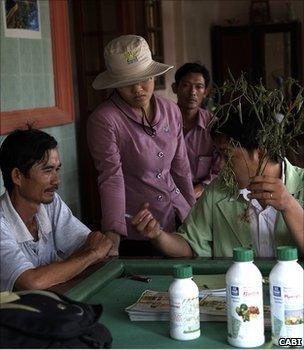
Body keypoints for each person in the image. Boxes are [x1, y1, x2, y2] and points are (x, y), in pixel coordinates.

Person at [131, 112, 304, 258]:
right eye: (218, 155)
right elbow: (190, 244)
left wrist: (289, 206)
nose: (220, 165)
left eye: (226, 154)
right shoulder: (218, 191)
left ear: (260, 151)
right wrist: (158, 236)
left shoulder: (301, 184)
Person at [87, 35, 195, 256]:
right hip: (137, 224)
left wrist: (195, 214)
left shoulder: (171, 110)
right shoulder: (105, 119)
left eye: (144, 78)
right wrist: (113, 234)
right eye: (127, 83)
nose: (138, 89)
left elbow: (180, 167)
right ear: (115, 84)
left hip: (177, 214)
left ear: (154, 75)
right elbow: (111, 177)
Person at [0, 128, 113, 292]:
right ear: (17, 176)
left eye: (57, 169)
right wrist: (92, 254)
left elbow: (99, 245)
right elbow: (31, 282)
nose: (56, 180)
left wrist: (87, 254)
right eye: (47, 170)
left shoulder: (50, 204)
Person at [172, 63, 219, 199]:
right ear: (175, 88)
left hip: (203, 195)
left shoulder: (214, 125)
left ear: (206, 92)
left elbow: (221, 168)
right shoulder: (162, 123)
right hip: (167, 194)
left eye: (199, 87)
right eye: (186, 85)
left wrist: (200, 188)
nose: (192, 92)